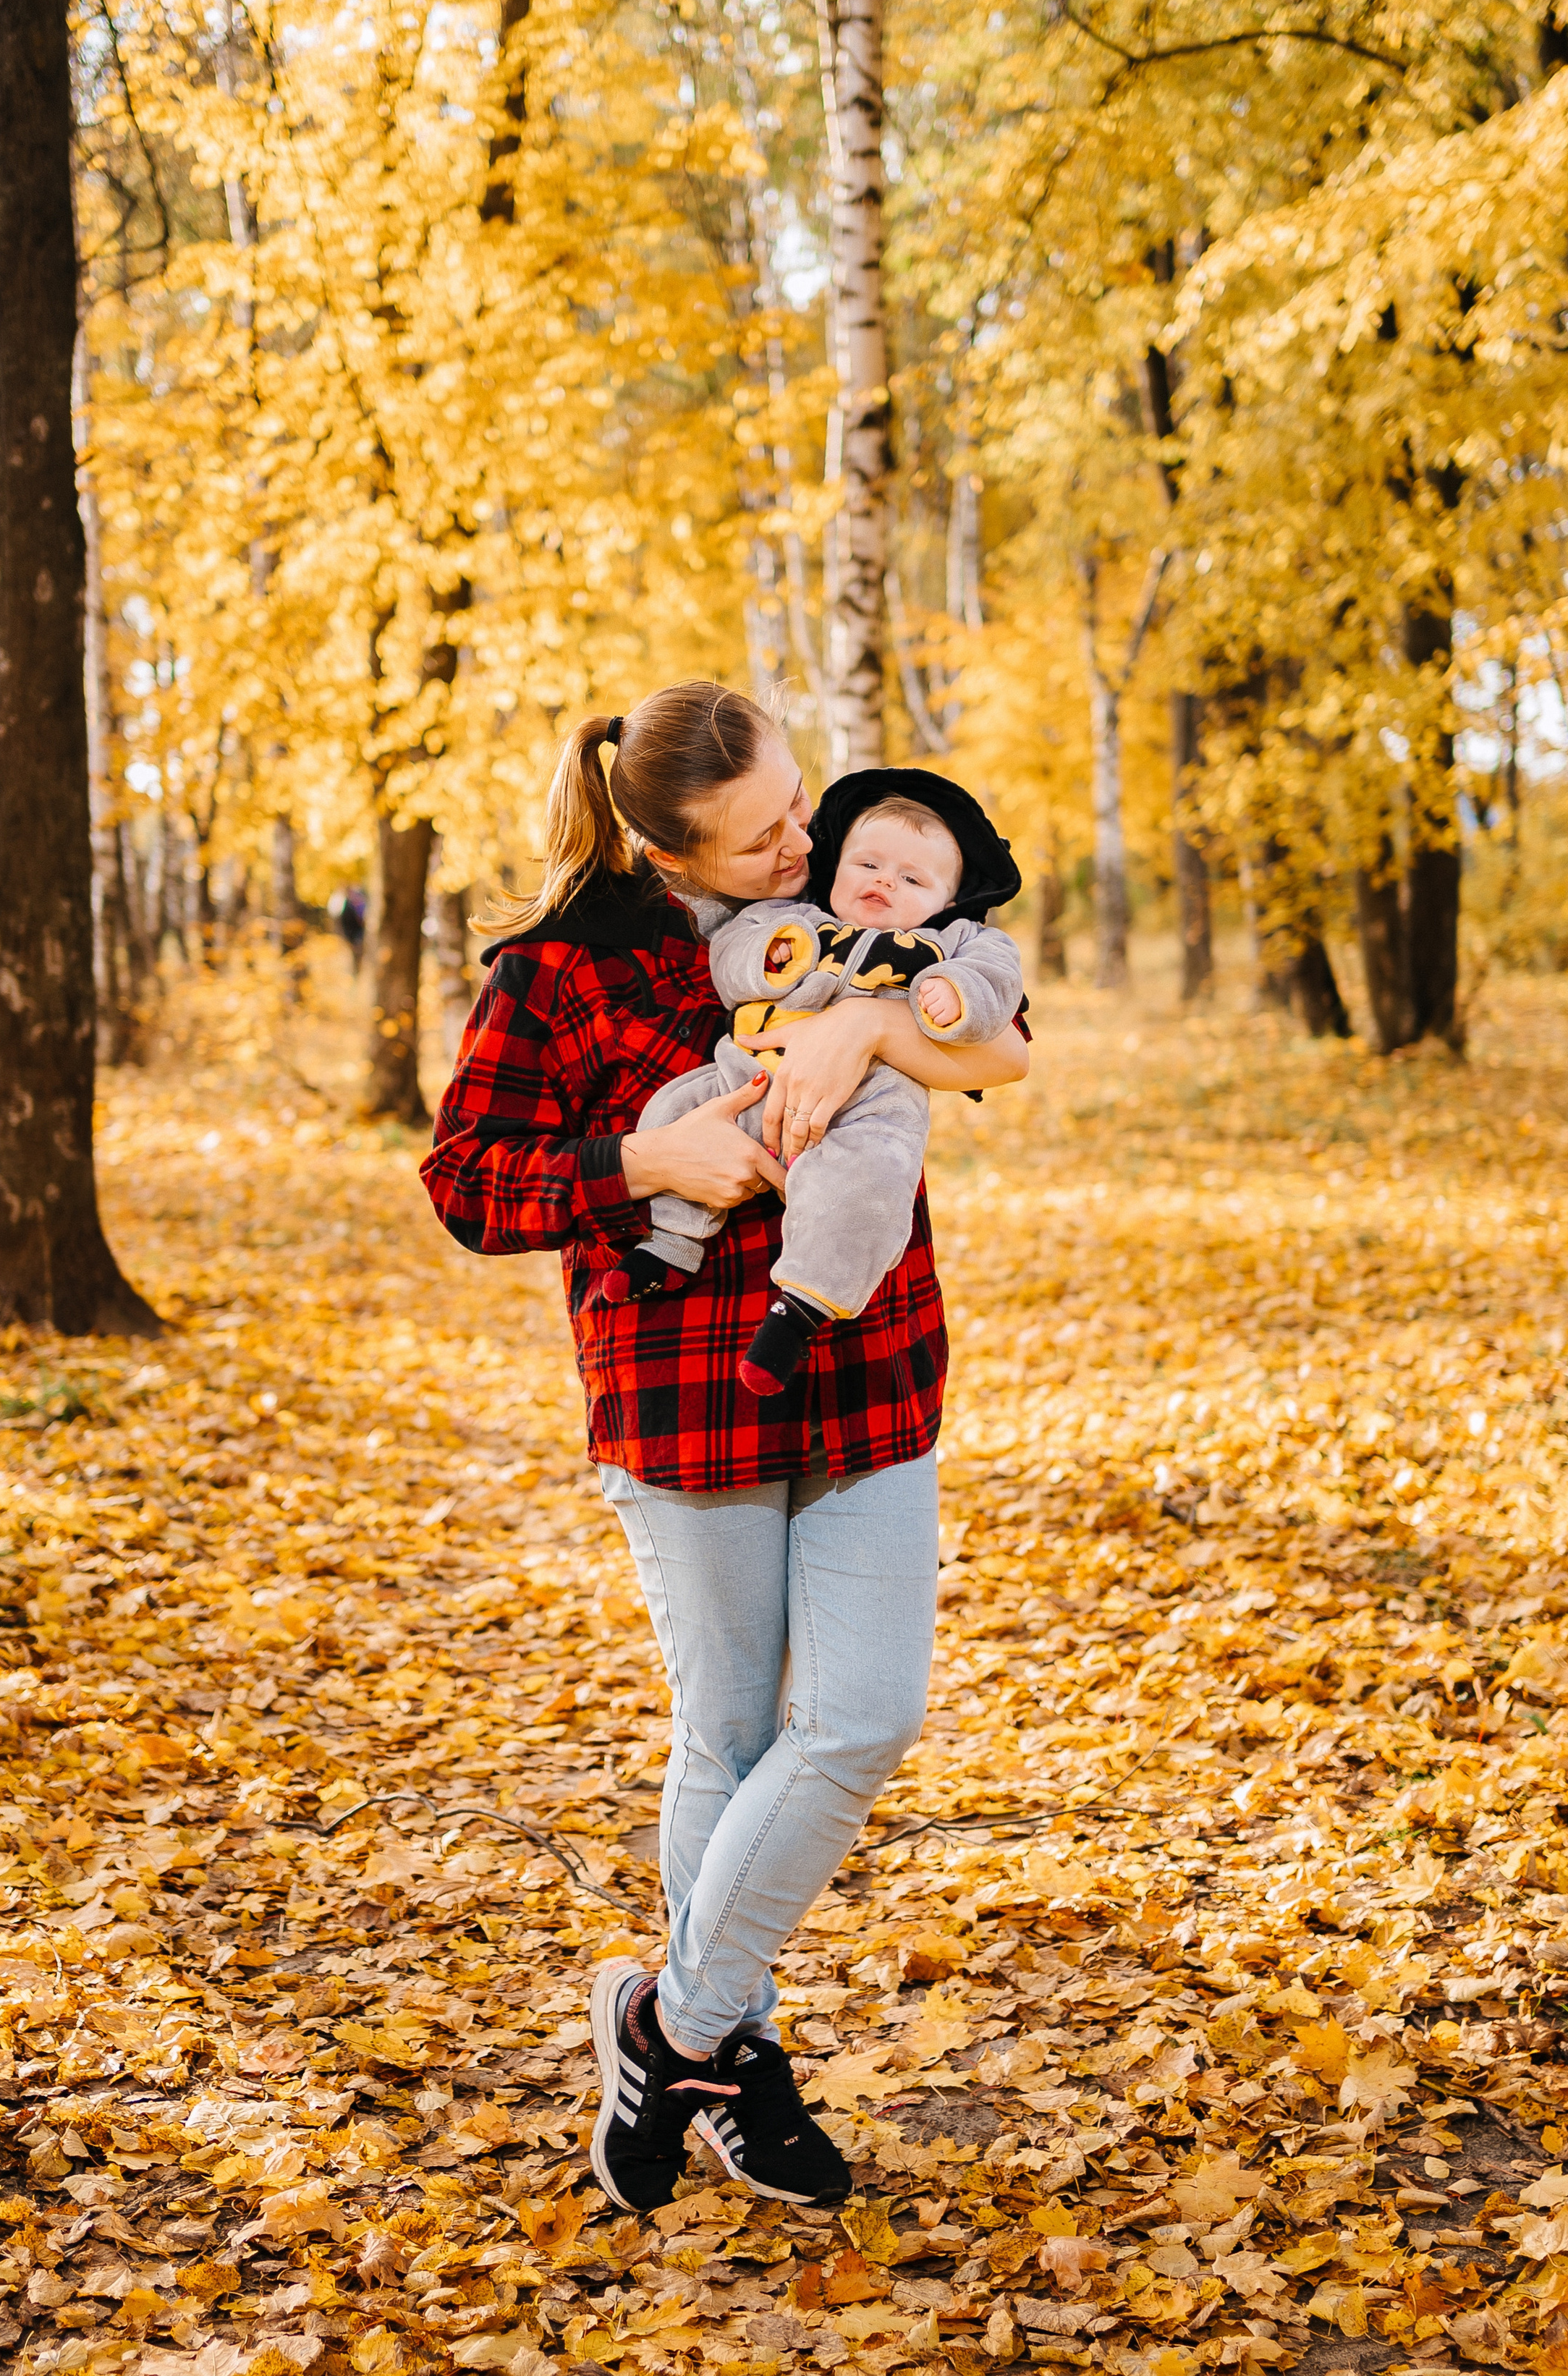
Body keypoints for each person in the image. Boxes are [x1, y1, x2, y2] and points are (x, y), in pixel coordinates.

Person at [422, 682, 1028, 2215]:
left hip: (870, 1361)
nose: (804, 838)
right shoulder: (557, 968)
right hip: (685, 1399)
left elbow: (1001, 1031)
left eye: (802, 800)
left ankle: (668, 2020)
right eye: (762, 831)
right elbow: (465, 1180)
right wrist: (639, 1157)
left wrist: (878, 1017)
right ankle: (734, 2063)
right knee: (733, 1735)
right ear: (668, 839)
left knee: (865, 1715)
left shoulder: (848, 901)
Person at [605, 771, 1023, 1394]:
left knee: (869, 1184)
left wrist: (955, 995)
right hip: (746, 1081)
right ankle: (670, 1242)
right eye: (869, 863)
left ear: (948, 900)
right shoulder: (795, 916)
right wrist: (774, 953)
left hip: (869, 1105)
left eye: (913, 880)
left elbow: (999, 984)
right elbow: (735, 950)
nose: (885, 881)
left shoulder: (950, 943)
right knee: (675, 1105)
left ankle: (801, 1307)